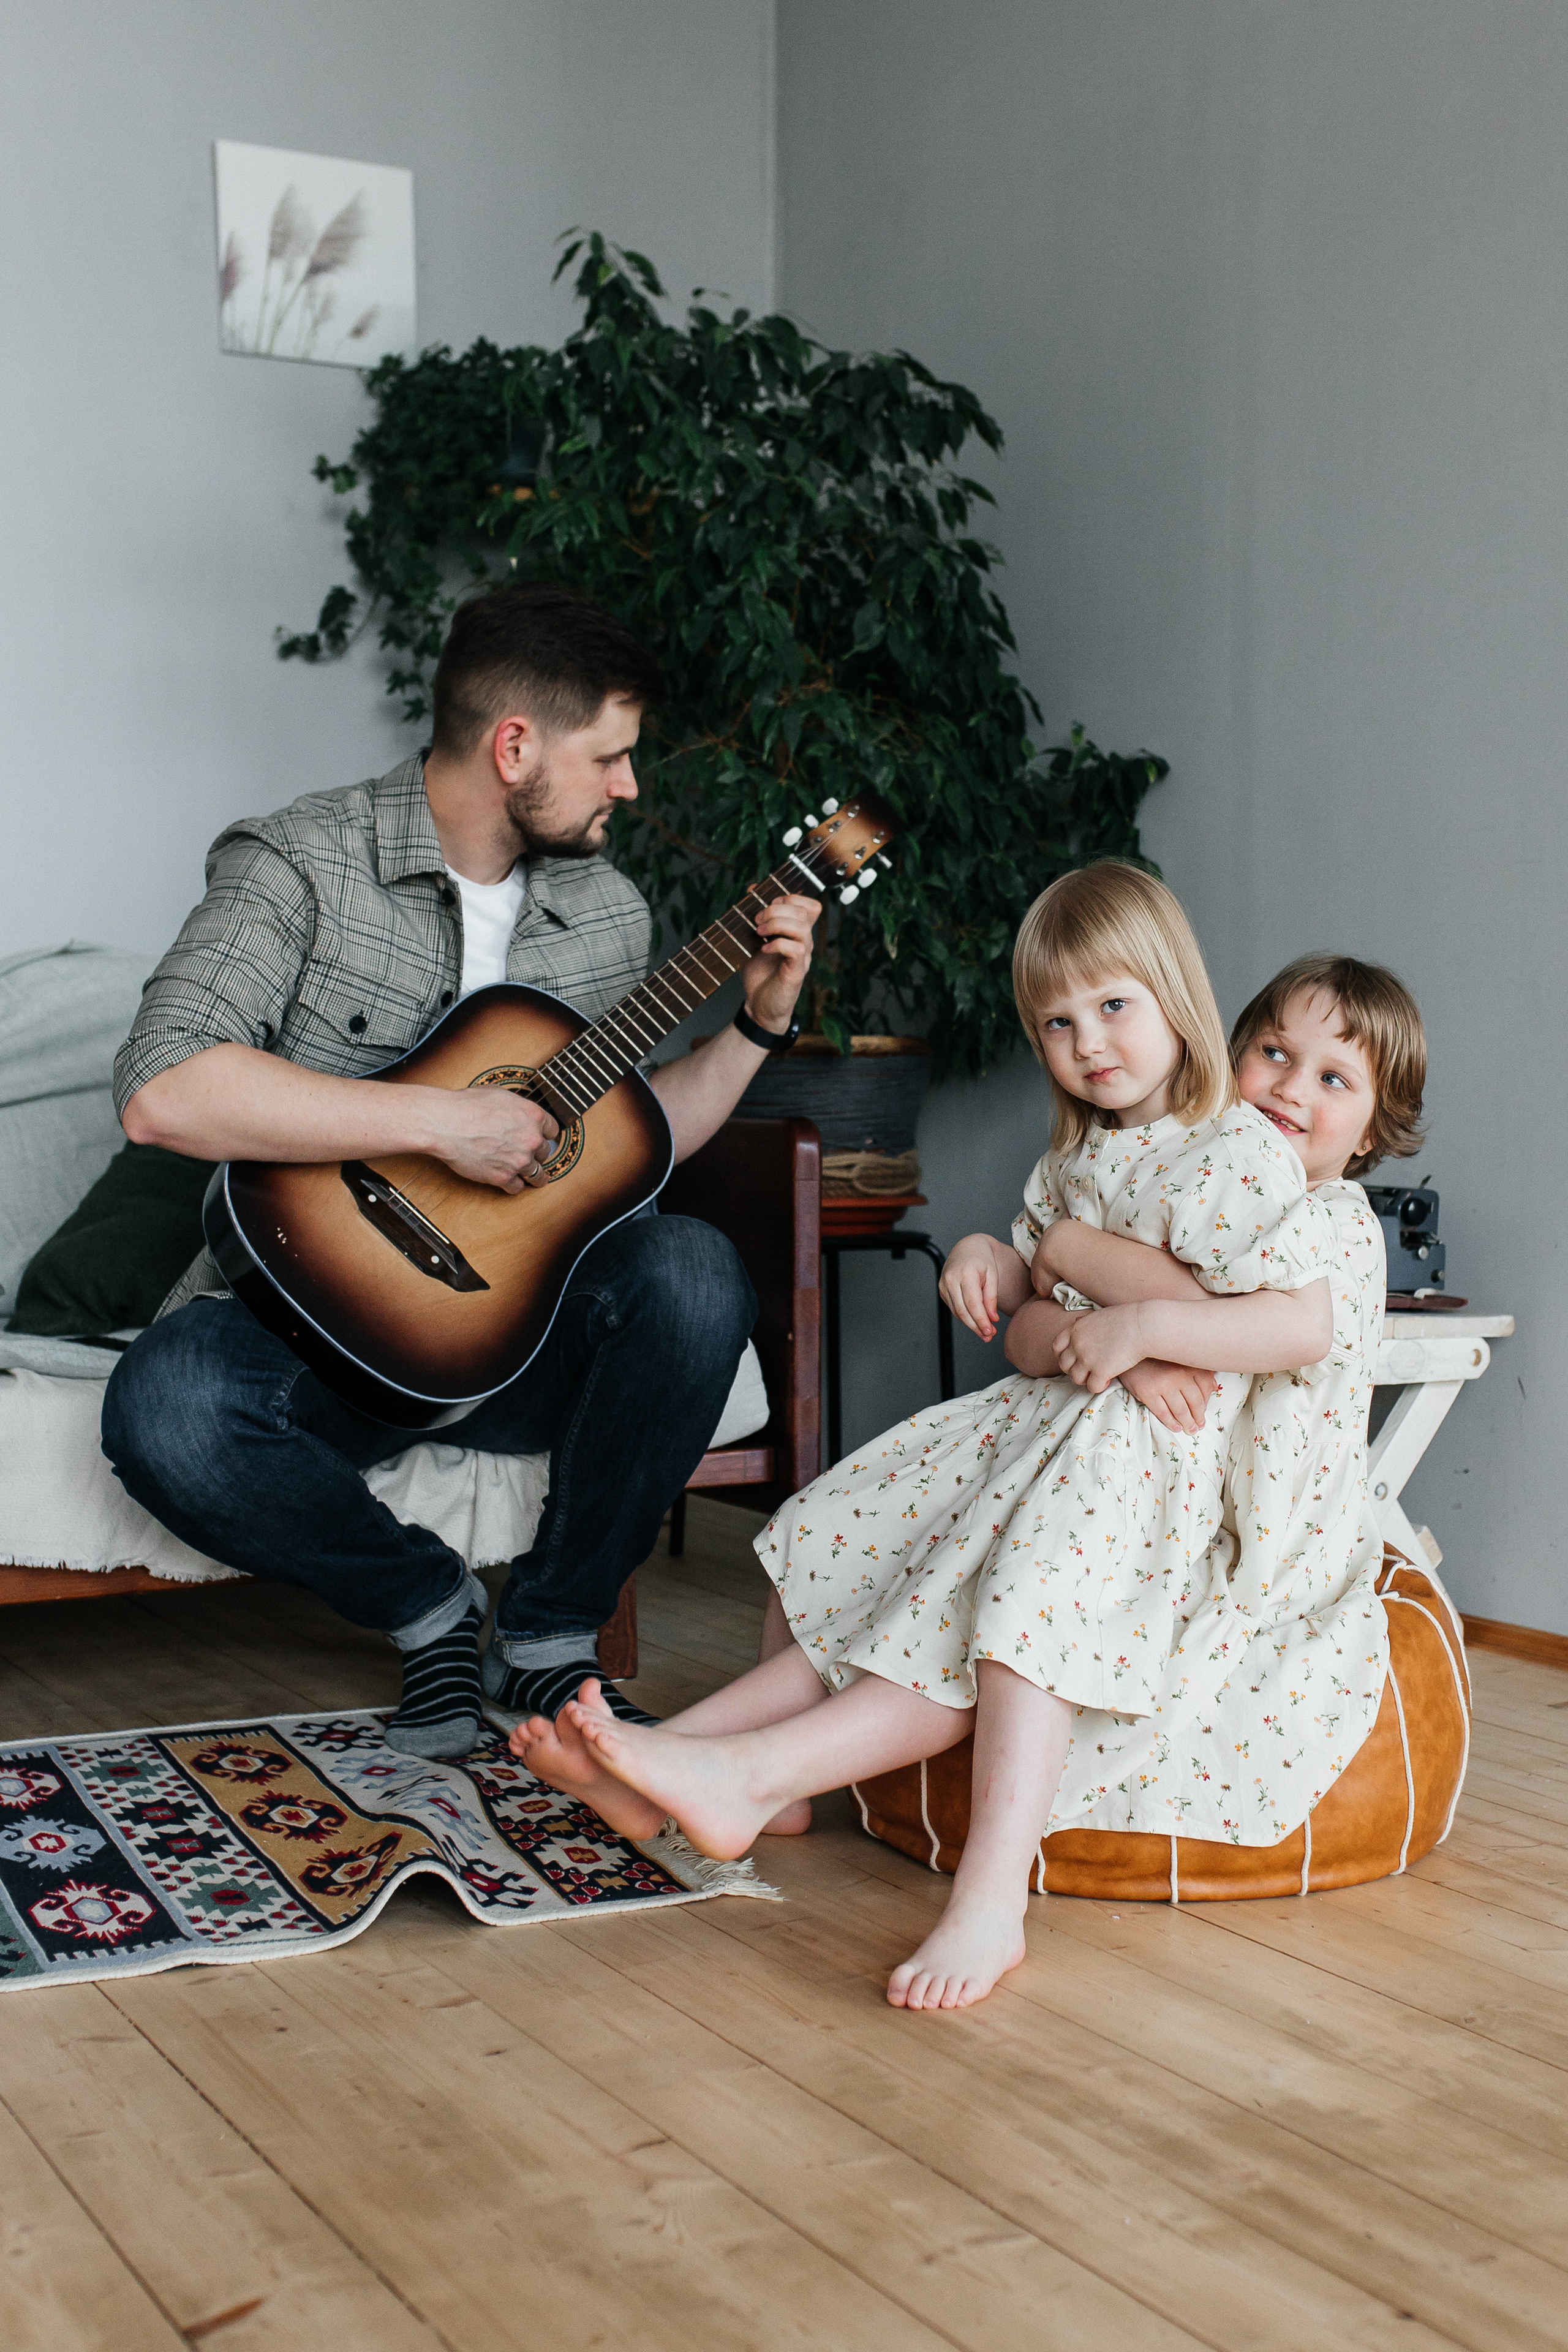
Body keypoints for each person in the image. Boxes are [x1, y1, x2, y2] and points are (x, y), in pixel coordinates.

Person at [513, 862, 1338, 2009]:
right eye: (1056, 1022)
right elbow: (1035, 1335)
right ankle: (703, 1772)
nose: (1087, 1043)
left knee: (1007, 1602)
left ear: (1175, 1000)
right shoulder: (1075, 1162)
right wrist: (997, 1262)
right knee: (843, 1524)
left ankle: (979, 1894)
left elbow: (1297, 1325)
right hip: (1044, 1426)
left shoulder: (1236, 1149)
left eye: (1114, 1007)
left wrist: (1139, 1322)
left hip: (1140, 1463)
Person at [100, 583, 821, 1760]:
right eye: (613, 757)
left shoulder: (606, 914)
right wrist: (438, 1124)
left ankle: (547, 1641)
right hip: (313, 1330)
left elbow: (627, 1154)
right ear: (516, 746)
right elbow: (163, 1088)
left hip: (513, 1331)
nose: (630, 787)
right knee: (166, 1407)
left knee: (692, 1268)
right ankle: (429, 1610)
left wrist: (757, 1026)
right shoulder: (298, 862)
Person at [1028, 954, 1427, 1845]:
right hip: (1180, 1479)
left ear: (1369, 1131)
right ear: (1232, 1053)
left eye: (1333, 1078)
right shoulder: (1219, 1181)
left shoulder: (1333, 1221)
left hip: (1271, 1518)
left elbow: (1270, 1329)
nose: (1290, 1088)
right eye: (1275, 1053)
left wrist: (1131, 1323)